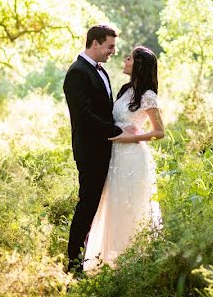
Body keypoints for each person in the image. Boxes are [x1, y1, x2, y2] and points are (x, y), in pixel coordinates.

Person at [83, 45, 165, 272]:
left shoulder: (148, 96)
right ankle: (111, 261)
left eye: (129, 58)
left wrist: (133, 137)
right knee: (113, 203)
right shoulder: (125, 90)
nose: (124, 60)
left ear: (138, 65)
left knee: (131, 206)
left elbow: (159, 132)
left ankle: (134, 261)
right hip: (115, 156)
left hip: (132, 157)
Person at [63, 24, 136, 275]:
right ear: (95, 43)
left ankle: (95, 255)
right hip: (90, 151)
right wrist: (117, 132)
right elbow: (83, 116)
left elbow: (105, 110)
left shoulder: (101, 72)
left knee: (100, 204)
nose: (113, 52)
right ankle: (73, 263)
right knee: (88, 204)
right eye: (110, 46)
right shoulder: (77, 73)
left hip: (106, 150)